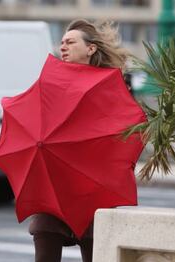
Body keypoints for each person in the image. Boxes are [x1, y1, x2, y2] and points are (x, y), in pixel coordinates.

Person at [28, 19, 130, 262]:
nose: (63, 47)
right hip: (54, 189)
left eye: (70, 42)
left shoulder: (109, 85)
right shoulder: (50, 82)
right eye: (61, 42)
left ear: (90, 48)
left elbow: (121, 132)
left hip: (92, 190)